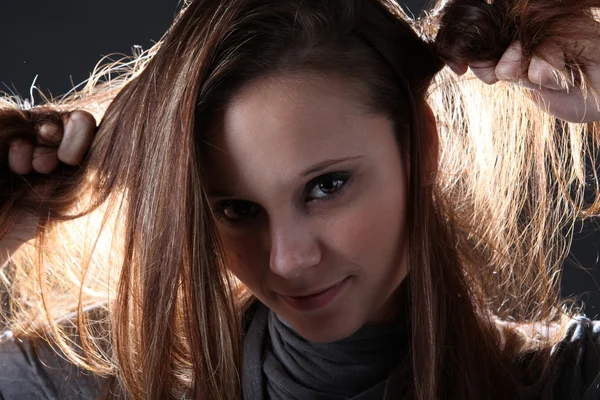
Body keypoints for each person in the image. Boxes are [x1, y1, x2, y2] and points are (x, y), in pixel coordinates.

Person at [1, 0, 600, 398]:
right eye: (236, 209)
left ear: (421, 145)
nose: (286, 261)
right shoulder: (81, 380)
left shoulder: (570, 380)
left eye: (326, 187)